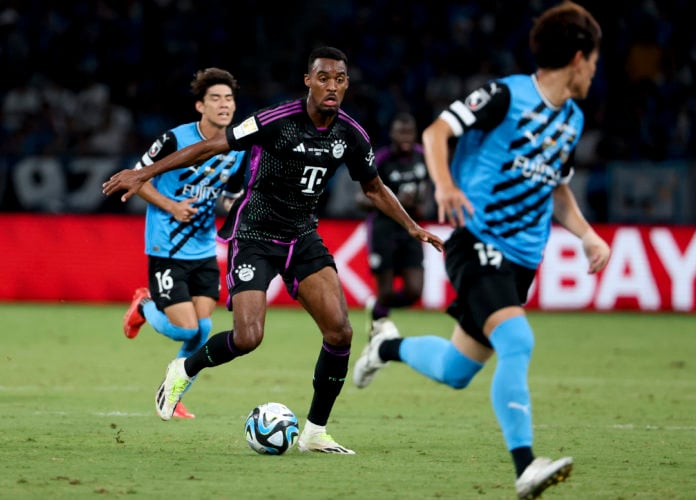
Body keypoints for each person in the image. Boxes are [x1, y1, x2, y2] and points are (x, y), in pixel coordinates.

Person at [103, 46, 444, 454]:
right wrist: (144, 173)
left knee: (340, 332)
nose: (331, 86)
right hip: (254, 236)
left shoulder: (349, 135)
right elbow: (212, 146)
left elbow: (372, 186)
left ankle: (315, 431)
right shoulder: (275, 120)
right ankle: (184, 368)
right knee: (249, 337)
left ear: (347, 84)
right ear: (308, 81)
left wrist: (411, 226)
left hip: (302, 238)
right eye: (323, 78)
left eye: (339, 79)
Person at [352, 2, 610, 498]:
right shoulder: (504, 95)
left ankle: (384, 347)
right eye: (594, 62)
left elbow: (557, 189)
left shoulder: (572, 121)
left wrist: (587, 234)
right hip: (477, 243)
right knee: (518, 341)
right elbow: (436, 133)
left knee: (456, 370)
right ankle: (525, 467)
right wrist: (446, 185)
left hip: (521, 262)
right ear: (578, 58)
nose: (594, 72)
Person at [121, 68, 246, 419]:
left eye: (229, 98)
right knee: (185, 327)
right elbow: (136, 177)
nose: (224, 104)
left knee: (202, 329)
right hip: (167, 247)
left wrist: (235, 207)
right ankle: (144, 305)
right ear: (200, 106)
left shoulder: (236, 148)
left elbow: (228, 196)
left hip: (204, 248)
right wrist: (171, 206)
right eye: (216, 99)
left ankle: (172, 394)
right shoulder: (175, 140)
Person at [357, 112, 434, 330]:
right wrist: (394, 202)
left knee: (414, 290)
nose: (405, 137)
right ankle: (378, 327)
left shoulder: (422, 156)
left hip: (411, 229)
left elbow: (427, 188)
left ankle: (378, 308)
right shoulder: (381, 159)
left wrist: (423, 206)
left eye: (409, 132)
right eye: (401, 132)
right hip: (384, 229)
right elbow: (360, 199)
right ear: (392, 134)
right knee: (387, 291)